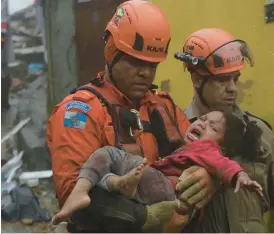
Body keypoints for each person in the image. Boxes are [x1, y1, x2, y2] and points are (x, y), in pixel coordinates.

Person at [46, 1, 216, 232]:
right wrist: (147, 217)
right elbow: (73, 195)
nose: (145, 73)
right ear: (112, 51)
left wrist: (207, 177)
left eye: (152, 65)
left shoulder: (161, 104)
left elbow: (200, 153)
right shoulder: (78, 111)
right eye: (135, 62)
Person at [174, 28, 274, 233]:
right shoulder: (177, 132)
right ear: (196, 79)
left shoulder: (258, 132)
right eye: (222, 80)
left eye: (235, 78)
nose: (233, 88)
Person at [51, 110, 264, 227]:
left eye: (212, 127)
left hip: (160, 187)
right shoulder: (81, 107)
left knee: (110, 154)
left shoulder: (204, 145)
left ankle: (112, 186)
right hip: (154, 197)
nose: (201, 123)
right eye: (202, 118)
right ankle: (122, 185)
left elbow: (223, 162)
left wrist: (230, 177)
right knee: (106, 181)